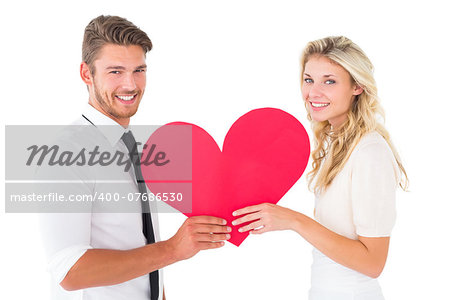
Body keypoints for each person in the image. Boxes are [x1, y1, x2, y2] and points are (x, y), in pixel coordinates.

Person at [39, 15, 231, 300]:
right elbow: (69, 271)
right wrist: (174, 249)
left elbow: (142, 241)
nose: (130, 85)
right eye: (115, 71)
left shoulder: (132, 146)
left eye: (138, 70)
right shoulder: (66, 154)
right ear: (86, 74)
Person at [232, 36, 408, 300]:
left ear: (357, 86)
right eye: (308, 79)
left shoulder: (369, 152)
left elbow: (373, 263)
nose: (313, 93)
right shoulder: (336, 144)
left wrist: (293, 220)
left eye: (330, 81)